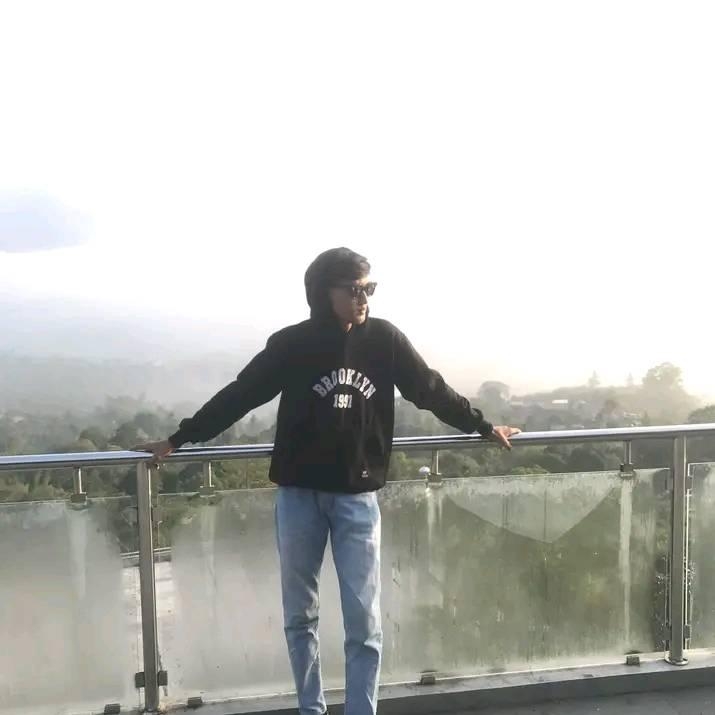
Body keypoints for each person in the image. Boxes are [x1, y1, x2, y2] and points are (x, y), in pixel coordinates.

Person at [137, 247, 521, 715]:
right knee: (300, 617)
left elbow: (430, 389)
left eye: (369, 288)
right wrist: (178, 439)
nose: (364, 298)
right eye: (355, 289)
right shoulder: (293, 344)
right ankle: (311, 709)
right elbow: (241, 394)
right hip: (298, 496)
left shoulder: (384, 340)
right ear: (324, 293)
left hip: (358, 500)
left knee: (365, 622)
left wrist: (483, 427)